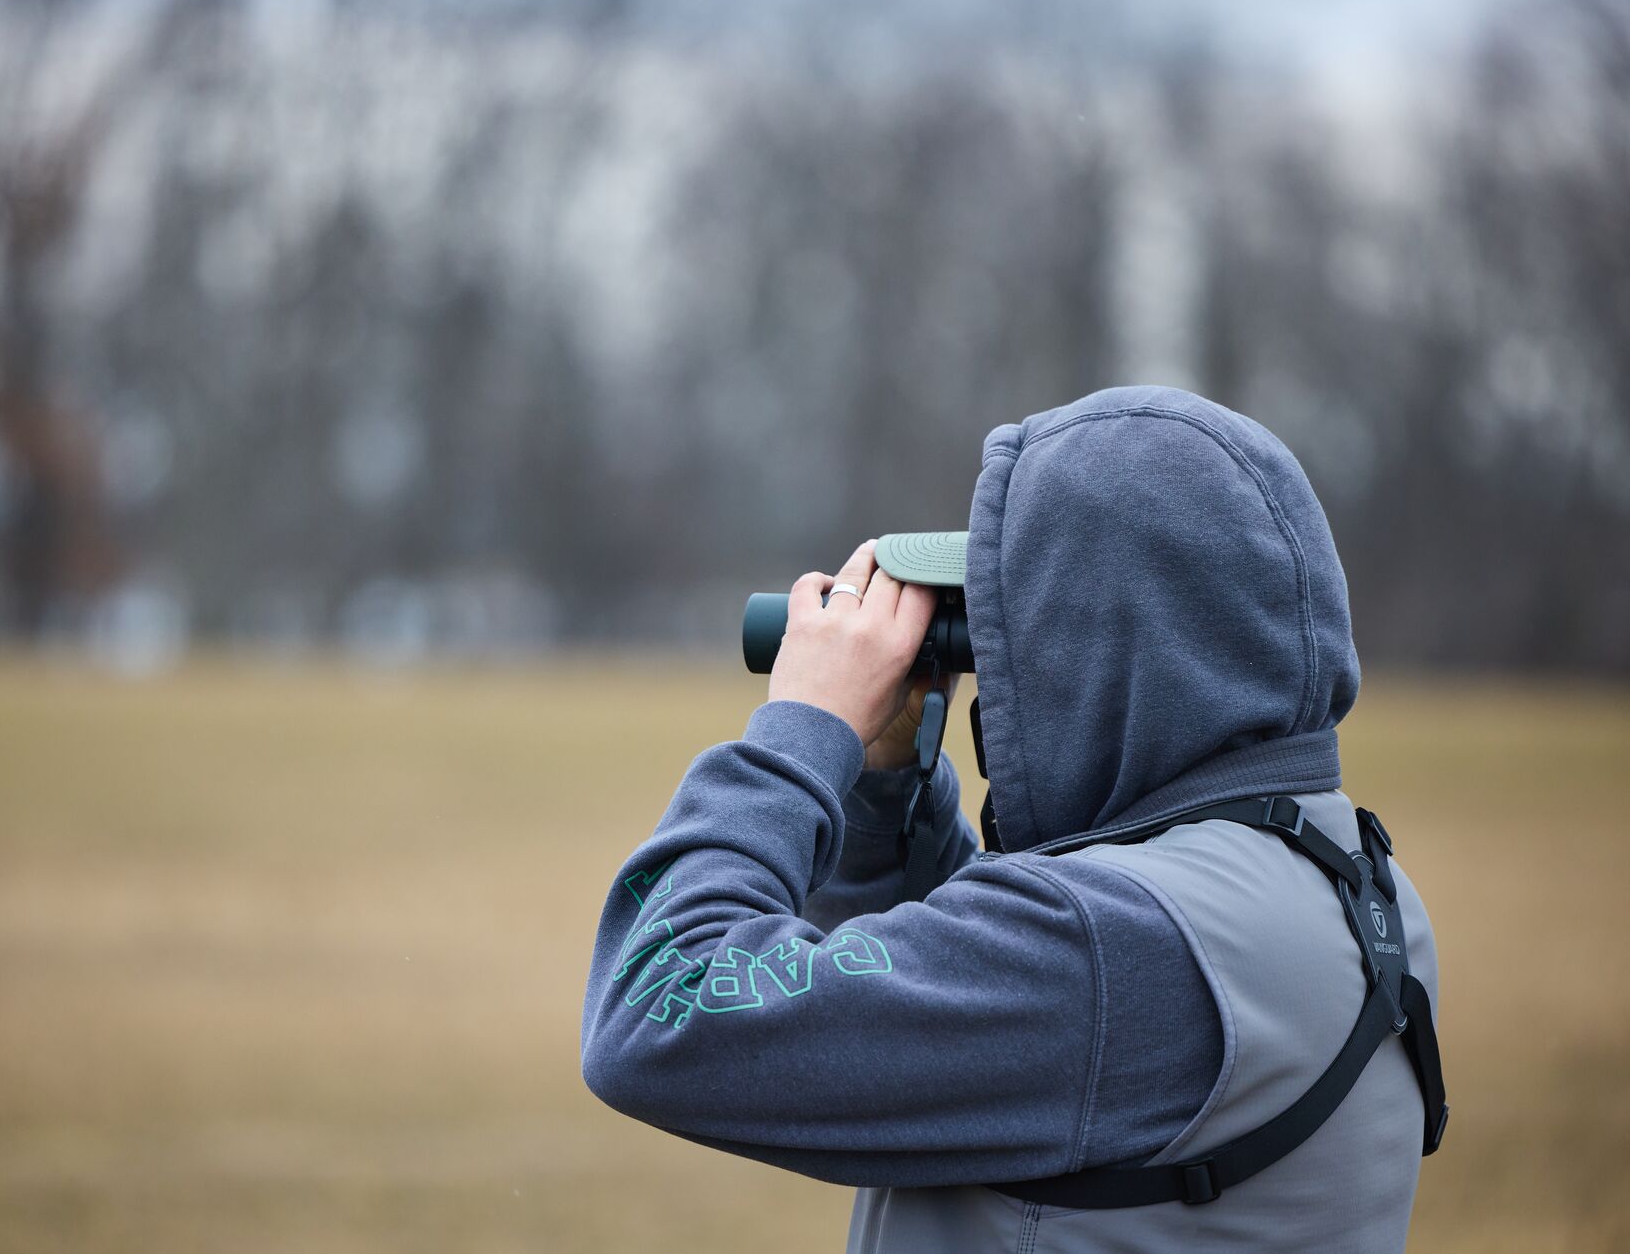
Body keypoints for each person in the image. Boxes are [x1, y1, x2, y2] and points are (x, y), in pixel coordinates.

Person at [579, 386, 1444, 1252]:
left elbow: (656, 1011)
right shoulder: (1353, 883)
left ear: (1105, 648)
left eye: (1012, 624)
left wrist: (807, 729)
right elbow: (990, 1009)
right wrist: (885, 790)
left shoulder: (1110, 948)